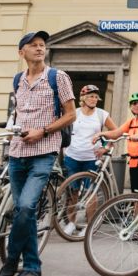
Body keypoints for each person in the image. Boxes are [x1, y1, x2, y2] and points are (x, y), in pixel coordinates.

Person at [1, 31, 76, 276]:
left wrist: (42, 131)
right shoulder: (17, 80)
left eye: (42, 45)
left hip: (43, 152)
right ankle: (32, 267)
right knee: (25, 211)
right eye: (33, 45)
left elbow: (71, 115)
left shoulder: (58, 77)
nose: (39, 48)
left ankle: (12, 259)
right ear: (21, 52)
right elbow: (18, 114)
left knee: (25, 207)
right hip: (16, 152)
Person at [91, 92, 138, 242]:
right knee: (136, 196)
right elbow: (117, 133)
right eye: (134, 103)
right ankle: (137, 227)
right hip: (135, 162)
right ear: (130, 106)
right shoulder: (130, 122)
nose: (136, 105)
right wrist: (101, 134)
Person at [59, 84, 116, 236]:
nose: (94, 99)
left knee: (91, 193)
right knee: (73, 192)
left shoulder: (102, 114)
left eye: (96, 96)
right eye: (90, 96)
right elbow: (63, 131)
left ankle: (89, 226)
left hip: (91, 159)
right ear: (83, 98)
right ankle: (71, 222)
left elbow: (115, 132)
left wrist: (106, 147)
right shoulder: (74, 113)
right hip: (72, 157)